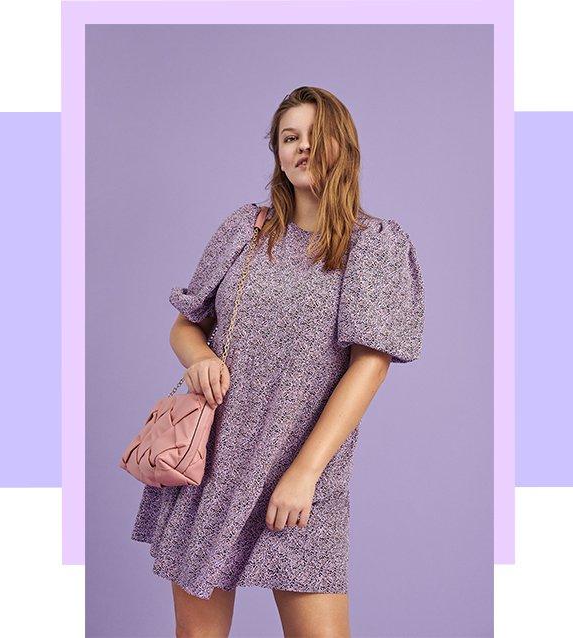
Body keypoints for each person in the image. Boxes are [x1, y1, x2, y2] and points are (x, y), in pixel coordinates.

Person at [131, 86, 425, 638]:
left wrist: (305, 473)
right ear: (278, 153)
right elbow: (187, 323)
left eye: (318, 136)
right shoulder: (247, 229)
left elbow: (371, 364)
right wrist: (197, 358)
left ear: (346, 147)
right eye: (291, 138)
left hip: (303, 466)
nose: (304, 148)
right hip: (214, 459)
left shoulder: (375, 246)